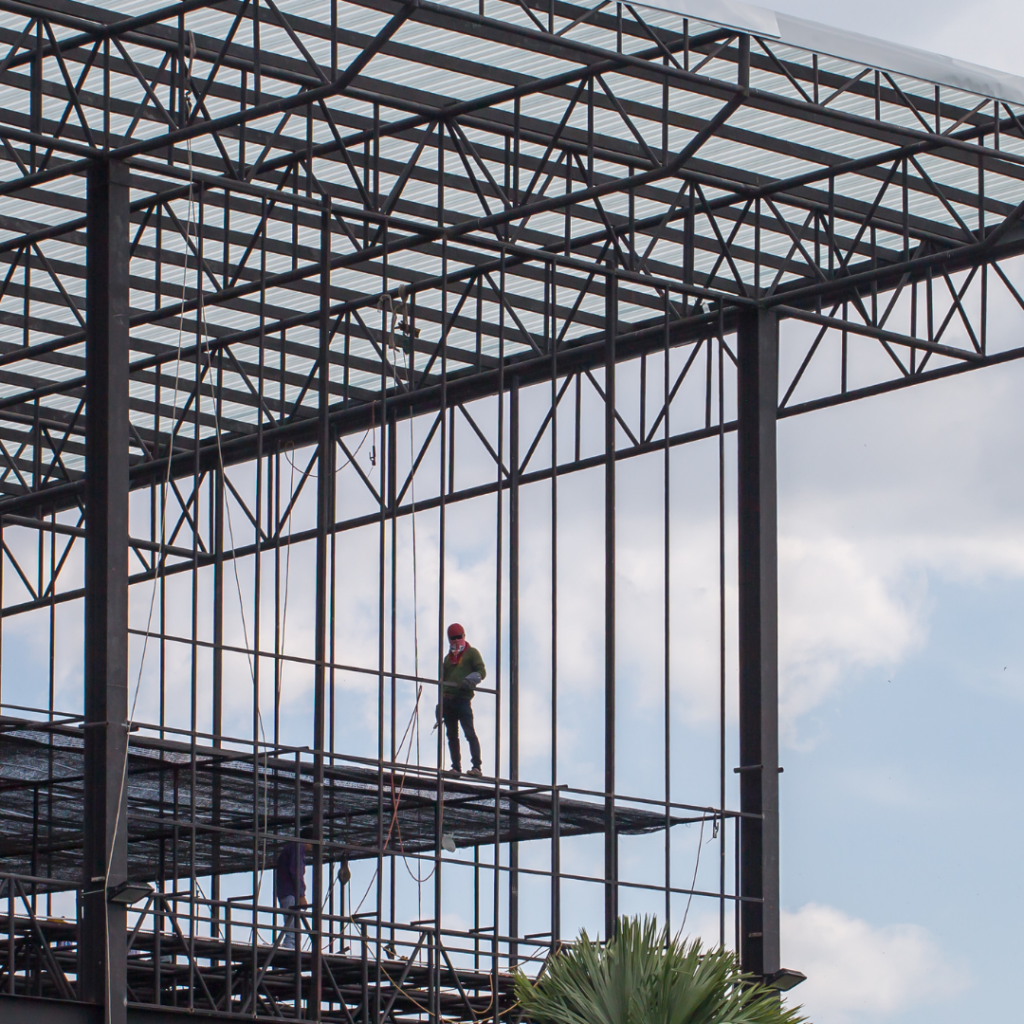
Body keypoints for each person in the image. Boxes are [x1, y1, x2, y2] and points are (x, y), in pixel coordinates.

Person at [439, 622, 486, 778]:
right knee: (452, 736)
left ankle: (476, 767)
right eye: (453, 638)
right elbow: (443, 683)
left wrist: (470, 680)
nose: (456, 641)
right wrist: (440, 704)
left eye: (459, 637)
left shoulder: (471, 653)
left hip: (462, 699)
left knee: (469, 733)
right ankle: (456, 767)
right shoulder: (448, 659)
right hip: (448, 701)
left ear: (464, 636)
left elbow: (481, 671)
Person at [275, 825, 313, 950]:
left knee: (292, 924)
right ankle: (290, 947)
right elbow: (296, 872)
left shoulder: (291, 847)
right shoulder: (297, 848)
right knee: (292, 926)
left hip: (285, 891)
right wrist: (301, 894)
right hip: (289, 892)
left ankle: (291, 945)